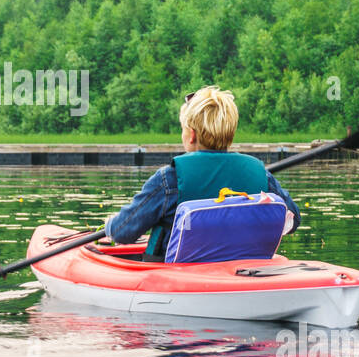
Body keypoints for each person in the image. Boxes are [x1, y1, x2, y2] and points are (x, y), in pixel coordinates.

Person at [103, 86, 300, 258]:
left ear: (192, 135)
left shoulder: (169, 178)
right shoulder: (260, 174)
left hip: (179, 276)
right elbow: (294, 220)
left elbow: (123, 232)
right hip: (243, 271)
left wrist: (109, 225)